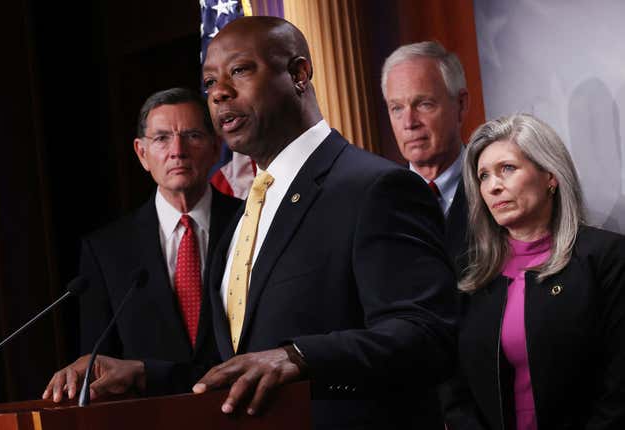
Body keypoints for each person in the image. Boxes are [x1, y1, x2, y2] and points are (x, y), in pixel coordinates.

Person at [192, 16, 458, 430]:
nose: (219, 93)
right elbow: (226, 368)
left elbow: (427, 335)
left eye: (240, 70)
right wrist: (139, 373)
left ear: (299, 73)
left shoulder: (376, 189)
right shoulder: (240, 221)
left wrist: (299, 357)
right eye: (209, 82)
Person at [43, 88, 241, 401]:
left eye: (191, 135)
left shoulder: (250, 223)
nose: (178, 150)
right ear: (141, 153)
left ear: (217, 146)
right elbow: (97, 369)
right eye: (162, 138)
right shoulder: (106, 250)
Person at [455, 113, 625, 429]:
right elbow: (455, 388)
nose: (493, 186)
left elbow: (618, 386)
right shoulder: (472, 273)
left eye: (507, 169)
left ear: (550, 175)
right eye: (484, 176)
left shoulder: (606, 257)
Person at [381, 41, 470, 274]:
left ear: (460, 105)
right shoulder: (379, 201)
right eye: (396, 108)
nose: (409, 123)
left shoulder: (496, 188)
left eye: (424, 104)